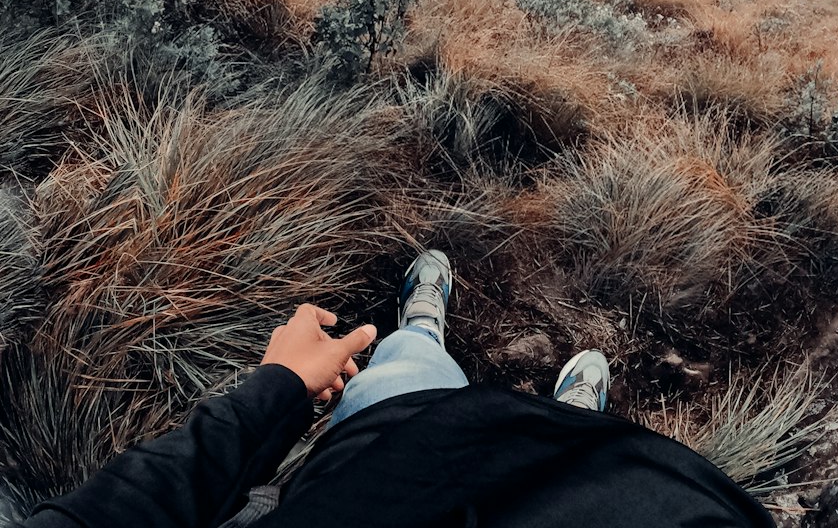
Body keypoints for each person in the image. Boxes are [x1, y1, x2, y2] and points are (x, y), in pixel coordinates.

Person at [22, 251, 775, 527]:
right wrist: (277, 384)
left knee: (409, 369)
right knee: (415, 380)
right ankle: (559, 428)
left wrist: (281, 387)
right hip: (623, 500)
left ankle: (428, 330)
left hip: (381, 479)